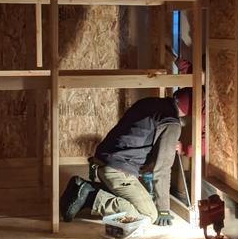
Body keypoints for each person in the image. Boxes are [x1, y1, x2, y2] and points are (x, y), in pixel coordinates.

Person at [59, 90, 191, 226]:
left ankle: (83, 188)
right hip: (117, 171)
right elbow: (162, 170)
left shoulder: (149, 102)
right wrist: (163, 209)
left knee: (133, 200)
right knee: (148, 215)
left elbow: (135, 137)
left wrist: (168, 144)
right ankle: (90, 197)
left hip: (101, 162)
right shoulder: (172, 123)